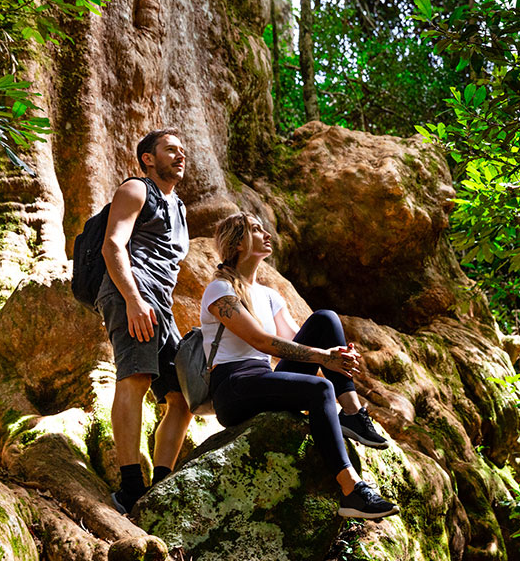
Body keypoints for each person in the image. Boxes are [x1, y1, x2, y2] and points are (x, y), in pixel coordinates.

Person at [201, 211, 398, 519]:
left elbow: (294, 342)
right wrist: (324, 358)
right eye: (255, 229)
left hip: (265, 381)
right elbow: (262, 342)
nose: (266, 233)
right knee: (320, 387)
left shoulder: (268, 295)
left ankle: (352, 414)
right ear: (238, 243)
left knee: (326, 319)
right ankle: (351, 491)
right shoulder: (220, 290)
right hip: (233, 387)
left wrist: (334, 353)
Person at [97, 128, 191, 514]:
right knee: (135, 378)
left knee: (182, 397)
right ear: (149, 158)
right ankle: (130, 488)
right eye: (170, 150)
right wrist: (133, 300)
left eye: (182, 150)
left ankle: (161, 484)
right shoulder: (136, 189)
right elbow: (113, 244)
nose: (180, 155)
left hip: (161, 306)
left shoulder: (180, 207)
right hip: (131, 293)